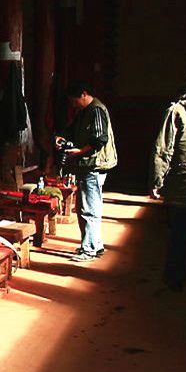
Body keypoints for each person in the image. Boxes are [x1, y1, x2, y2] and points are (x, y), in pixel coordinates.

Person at [56, 80, 117, 262]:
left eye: (74, 100)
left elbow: (100, 139)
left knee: (89, 208)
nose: (73, 104)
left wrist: (79, 151)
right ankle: (95, 245)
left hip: (94, 165)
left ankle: (89, 249)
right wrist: (61, 137)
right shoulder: (84, 111)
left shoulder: (96, 110)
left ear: (84, 94)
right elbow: (72, 130)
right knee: (88, 206)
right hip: (87, 165)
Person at [151, 77, 186, 291]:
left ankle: (175, 278)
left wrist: (157, 181)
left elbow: (163, 150)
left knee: (179, 236)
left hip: (182, 184)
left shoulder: (178, 111)